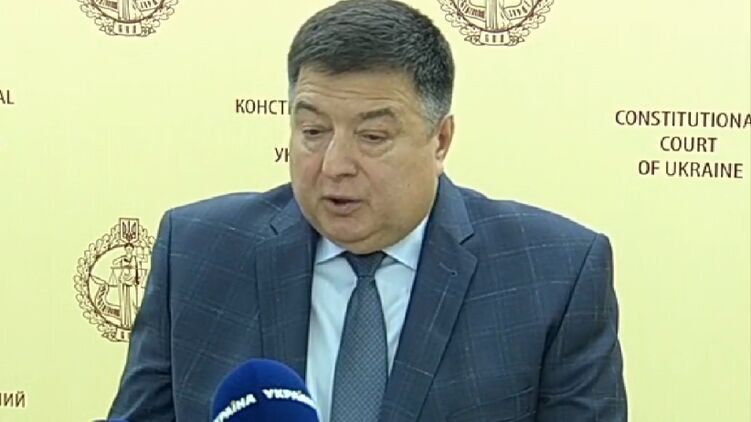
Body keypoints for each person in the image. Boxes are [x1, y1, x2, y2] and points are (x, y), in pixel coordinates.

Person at [108, 0, 627, 421]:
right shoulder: (197, 253)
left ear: (441, 140)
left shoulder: (553, 275)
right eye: (313, 131)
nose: (335, 165)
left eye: (373, 136)